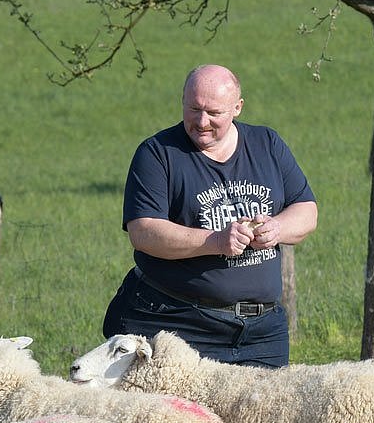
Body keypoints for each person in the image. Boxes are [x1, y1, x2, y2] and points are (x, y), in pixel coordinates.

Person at [103, 64, 318, 367]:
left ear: (237, 108)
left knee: (261, 414)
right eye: (193, 109)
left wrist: (276, 228)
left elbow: (306, 210)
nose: (202, 122)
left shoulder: (267, 145)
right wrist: (216, 240)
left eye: (213, 113)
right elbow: (143, 231)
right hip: (179, 325)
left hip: (262, 334)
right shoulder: (158, 154)